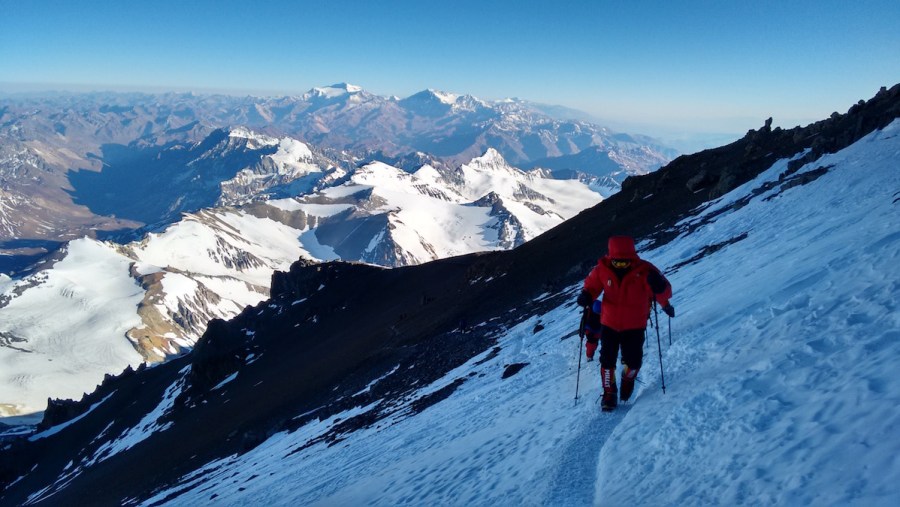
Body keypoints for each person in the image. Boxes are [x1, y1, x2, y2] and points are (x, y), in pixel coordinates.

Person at [576, 235, 674, 411]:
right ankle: (609, 393)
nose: (621, 265)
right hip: (609, 323)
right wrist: (587, 295)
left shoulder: (645, 270)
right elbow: (591, 286)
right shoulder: (602, 269)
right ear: (610, 256)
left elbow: (664, 290)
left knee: (634, 362)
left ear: (632, 256)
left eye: (625, 262)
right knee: (607, 361)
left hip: (635, 325)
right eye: (617, 262)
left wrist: (661, 291)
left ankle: (628, 379)